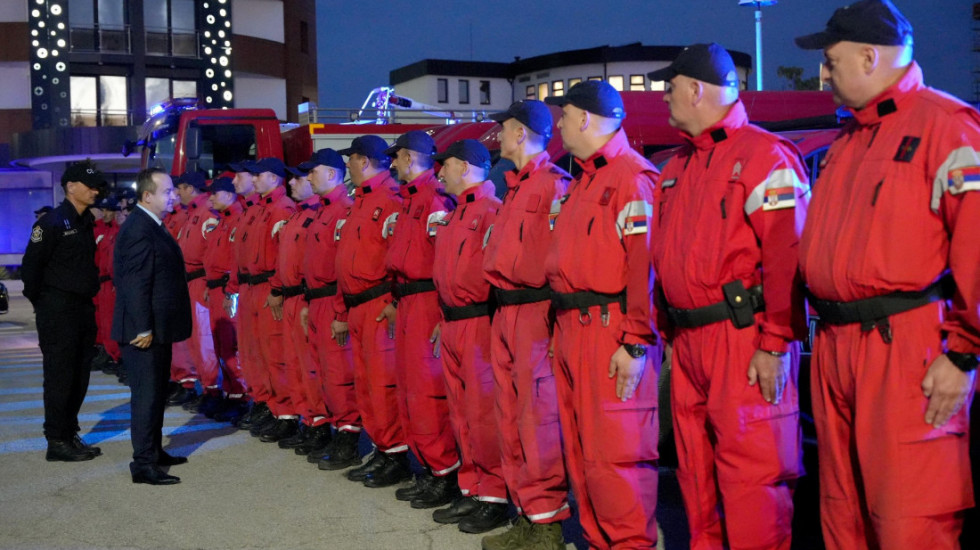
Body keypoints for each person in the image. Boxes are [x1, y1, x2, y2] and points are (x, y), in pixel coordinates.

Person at [794, 1, 979, 547]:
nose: (822, 74)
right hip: (837, 348)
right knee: (843, 510)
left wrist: (965, 354)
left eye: (830, 61)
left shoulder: (946, 128)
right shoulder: (848, 142)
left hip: (906, 350)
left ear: (870, 56)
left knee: (908, 516)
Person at [648, 43, 809, 550]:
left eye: (670, 88)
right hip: (690, 340)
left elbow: (788, 258)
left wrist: (775, 342)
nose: (665, 99)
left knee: (752, 476)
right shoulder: (674, 167)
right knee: (695, 472)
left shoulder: (765, 155)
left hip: (743, 340)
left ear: (696, 89)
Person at [544, 80, 661, 548]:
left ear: (586, 118)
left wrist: (635, 341)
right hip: (575, 330)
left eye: (564, 116)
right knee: (583, 453)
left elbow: (645, 268)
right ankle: (598, 540)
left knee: (617, 453)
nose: (559, 126)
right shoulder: (584, 181)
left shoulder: (633, 177)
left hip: (612, 333)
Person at [480, 99, 572, 549]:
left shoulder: (553, 187)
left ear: (521, 133)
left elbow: (560, 261)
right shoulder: (517, 187)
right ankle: (527, 515)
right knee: (511, 417)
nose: (498, 136)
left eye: (504, 128)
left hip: (536, 313)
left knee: (538, 420)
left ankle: (547, 525)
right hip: (507, 312)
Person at [430, 139, 508, 534]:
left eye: (445, 166)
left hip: (480, 323)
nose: (439, 173)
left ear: (464, 167)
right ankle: (472, 487)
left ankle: (493, 494)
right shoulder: (454, 214)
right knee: (461, 411)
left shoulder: (491, 213)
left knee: (482, 413)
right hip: (454, 322)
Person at [383, 130, 460, 507]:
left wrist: (443, 314)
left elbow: (445, 263)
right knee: (411, 391)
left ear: (410, 158)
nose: (392, 164)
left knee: (429, 394)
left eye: (395, 157)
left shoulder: (435, 200)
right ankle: (429, 467)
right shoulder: (410, 200)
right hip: (409, 302)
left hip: (428, 301)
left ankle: (445, 473)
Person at [334, 135, 410, 487]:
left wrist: (394, 301)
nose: (347, 166)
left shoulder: (390, 200)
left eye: (350, 159)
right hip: (359, 306)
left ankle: (394, 454)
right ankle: (382, 448)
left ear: (363, 162)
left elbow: (401, 256)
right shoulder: (360, 202)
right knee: (366, 384)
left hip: (379, 305)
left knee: (383, 385)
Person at [111, 168, 192, 485]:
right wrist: (143, 328)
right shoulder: (139, 229)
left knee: (156, 393)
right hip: (143, 331)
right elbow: (134, 283)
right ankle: (143, 463)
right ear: (148, 196)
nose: (173, 195)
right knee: (146, 396)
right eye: (167, 191)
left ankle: (154, 451)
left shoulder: (152, 225)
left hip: (158, 327)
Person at [21, 160, 105, 462]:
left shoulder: (85, 222)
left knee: (79, 375)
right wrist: (45, 304)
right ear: (71, 187)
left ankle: (68, 433)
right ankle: (56, 440)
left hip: (82, 308)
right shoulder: (51, 223)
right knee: (59, 376)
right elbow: (31, 271)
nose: (95, 191)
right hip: (58, 309)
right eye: (89, 185)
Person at [300, 149, 361, 468]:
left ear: (333, 174)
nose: (308, 176)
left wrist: (340, 312)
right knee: (322, 371)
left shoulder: (344, 209)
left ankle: (348, 439)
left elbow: (344, 267)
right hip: (318, 300)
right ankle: (336, 430)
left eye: (314, 171)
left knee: (339, 373)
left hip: (334, 301)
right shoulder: (324, 210)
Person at [241, 158, 299, 441]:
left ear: (274, 179)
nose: (253, 180)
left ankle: (286, 413)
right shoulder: (261, 208)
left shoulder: (281, 208)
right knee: (258, 353)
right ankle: (271, 407)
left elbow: (281, 257)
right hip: (254, 287)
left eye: (258, 175)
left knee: (275, 354)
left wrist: (276, 289)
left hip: (267, 287)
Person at [271, 164, 328, 447]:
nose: (291, 182)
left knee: (311, 366)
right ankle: (306, 419)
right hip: (292, 297)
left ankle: (319, 424)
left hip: (307, 298)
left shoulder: (317, 213)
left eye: (298, 177)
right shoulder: (298, 215)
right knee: (294, 364)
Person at [201, 174, 249, 422]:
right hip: (218, 289)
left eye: (214, 193)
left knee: (232, 345)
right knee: (221, 345)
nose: (210, 198)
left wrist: (230, 290)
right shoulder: (222, 221)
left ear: (228, 195)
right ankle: (230, 393)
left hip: (229, 290)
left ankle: (240, 397)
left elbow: (236, 260)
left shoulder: (237, 220)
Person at [174, 171, 221, 415]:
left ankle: (213, 391)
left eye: (180, 188)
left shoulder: (206, 214)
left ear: (191, 188)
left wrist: (206, 285)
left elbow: (211, 254)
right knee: (194, 341)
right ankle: (205, 388)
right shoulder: (193, 213)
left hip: (200, 283)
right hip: (190, 283)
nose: (177, 193)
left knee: (204, 342)